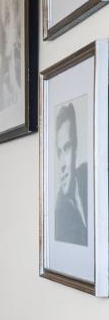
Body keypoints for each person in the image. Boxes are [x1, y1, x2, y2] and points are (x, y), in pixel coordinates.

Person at [54, 101, 90, 246]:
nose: (62, 164)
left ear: (75, 149)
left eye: (67, 148)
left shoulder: (88, 175)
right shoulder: (59, 210)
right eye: (59, 152)